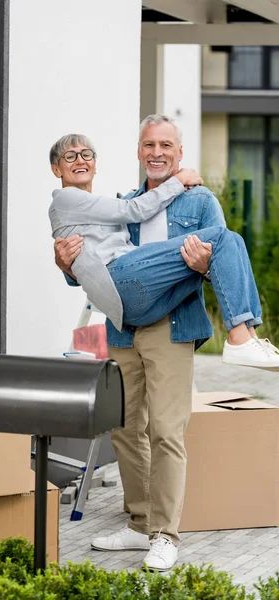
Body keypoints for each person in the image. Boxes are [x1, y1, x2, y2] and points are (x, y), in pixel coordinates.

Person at [50, 115, 275, 571]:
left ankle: (165, 534)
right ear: (138, 152)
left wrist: (205, 263)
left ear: (179, 153)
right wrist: (66, 265)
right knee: (126, 430)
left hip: (171, 325)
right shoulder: (126, 202)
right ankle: (138, 524)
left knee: (166, 431)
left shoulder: (200, 199)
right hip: (123, 326)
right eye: (149, 144)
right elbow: (94, 273)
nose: (157, 152)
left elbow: (224, 257)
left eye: (166, 145)